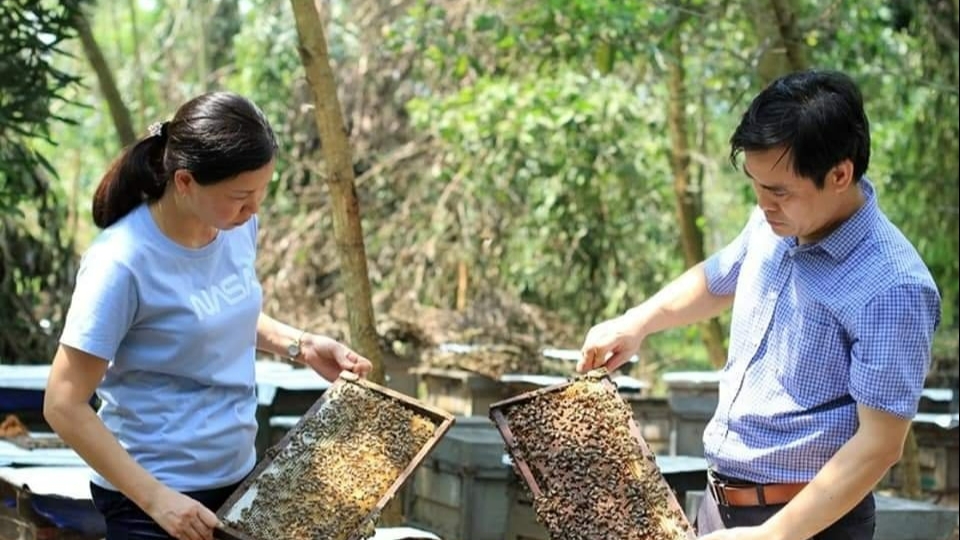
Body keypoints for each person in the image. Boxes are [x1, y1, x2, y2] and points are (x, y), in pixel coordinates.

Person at [578, 70, 941, 540]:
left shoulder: (893, 286)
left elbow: (879, 445)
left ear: (839, 174)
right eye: (756, 184)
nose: (763, 203)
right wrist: (637, 321)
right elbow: (718, 278)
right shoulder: (774, 223)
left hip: (809, 523)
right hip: (720, 505)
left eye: (779, 191)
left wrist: (772, 536)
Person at [44, 91, 373, 540]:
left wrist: (301, 344)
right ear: (184, 182)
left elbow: (212, 309)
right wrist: (158, 501)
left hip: (237, 480)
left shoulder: (234, 226)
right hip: (152, 501)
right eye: (241, 196)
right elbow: (63, 402)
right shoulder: (120, 263)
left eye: (261, 192)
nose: (254, 209)